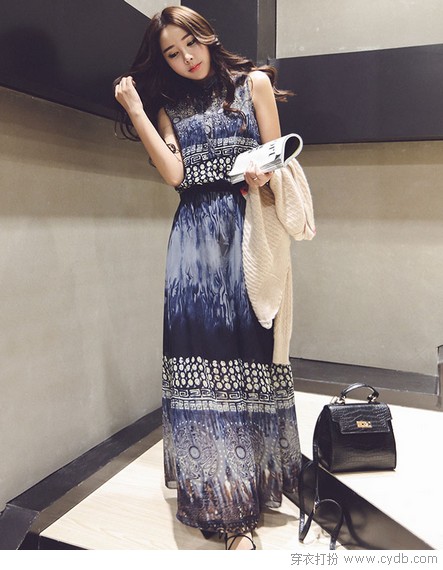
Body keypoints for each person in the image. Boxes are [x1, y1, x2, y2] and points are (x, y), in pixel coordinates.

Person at [114, 5, 301, 550]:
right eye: (172, 54)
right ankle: (221, 507)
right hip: (194, 243)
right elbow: (175, 174)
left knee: (252, 355)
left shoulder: (254, 84)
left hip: (247, 232)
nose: (186, 59)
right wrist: (137, 109)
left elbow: (278, 159)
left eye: (190, 44)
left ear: (208, 36)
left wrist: (265, 172)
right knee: (202, 364)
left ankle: (254, 484)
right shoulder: (167, 105)